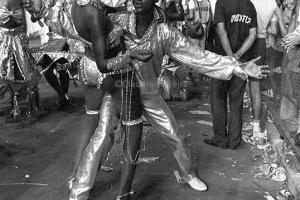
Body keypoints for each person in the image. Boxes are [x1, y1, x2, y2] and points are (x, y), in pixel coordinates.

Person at [23, 0, 151, 200]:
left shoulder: (76, 4)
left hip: (86, 65)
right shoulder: (94, 12)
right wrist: (130, 55)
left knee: (91, 122)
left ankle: (76, 180)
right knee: (130, 127)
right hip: (110, 71)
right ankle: (123, 194)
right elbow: (104, 63)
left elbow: (66, 26)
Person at [205, 0, 258, 149]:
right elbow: (253, 35)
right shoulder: (249, 5)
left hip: (222, 60)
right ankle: (234, 141)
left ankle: (221, 140)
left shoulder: (222, 3)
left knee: (218, 99)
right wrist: (238, 56)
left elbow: (221, 32)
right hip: (241, 61)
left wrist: (230, 57)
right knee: (236, 101)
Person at [0, 0, 40, 121]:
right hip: (2, 39)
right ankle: (15, 106)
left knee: (22, 73)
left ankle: (19, 106)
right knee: (5, 73)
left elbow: (36, 12)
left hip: (19, 39)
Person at [247, 0, 279, 138]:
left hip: (244, 41)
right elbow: (274, 30)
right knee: (256, 89)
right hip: (260, 42)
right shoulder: (271, 3)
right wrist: (263, 29)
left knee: (237, 84)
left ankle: (232, 128)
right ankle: (256, 128)